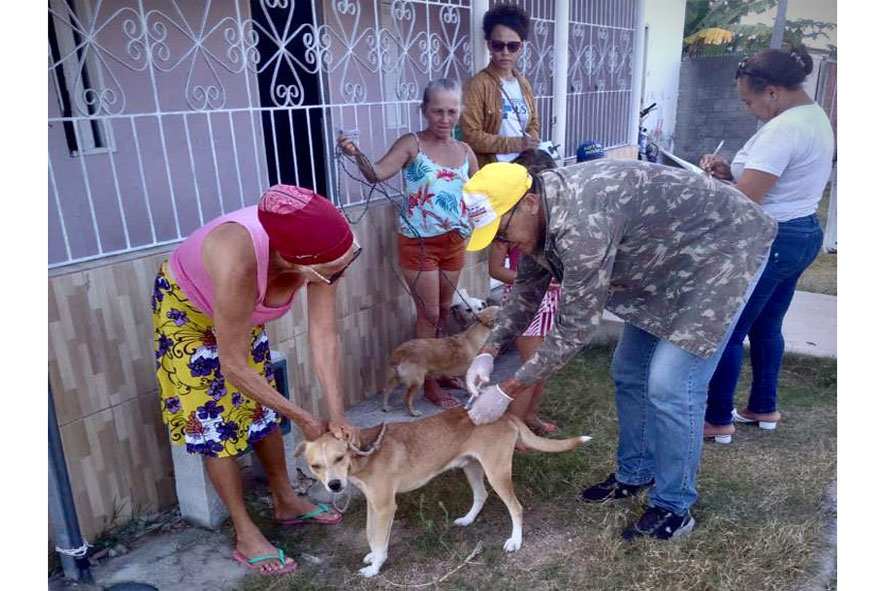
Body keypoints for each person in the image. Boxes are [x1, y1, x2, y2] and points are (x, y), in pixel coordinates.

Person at [461, 159, 776, 540]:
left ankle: (675, 507)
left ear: (528, 202)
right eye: (493, 237)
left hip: (723, 250)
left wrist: (506, 390)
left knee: (670, 385)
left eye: (502, 230)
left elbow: (574, 328)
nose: (502, 243)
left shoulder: (581, 225)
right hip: (669, 259)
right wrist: (489, 351)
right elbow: (528, 289)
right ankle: (635, 474)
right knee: (629, 370)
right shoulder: (540, 209)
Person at [153, 185, 361, 575]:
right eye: (335, 269)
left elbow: (323, 335)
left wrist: (336, 413)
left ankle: (286, 500)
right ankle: (245, 531)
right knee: (215, 421)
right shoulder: (239, 264)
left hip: (237, 314)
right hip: (188, 312)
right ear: (299, 263)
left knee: (261, 408)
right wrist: (302, 417)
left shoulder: (323, 247)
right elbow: (232, 366)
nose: (342, 273)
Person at [700, 46, 835, 443]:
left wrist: (708, 187)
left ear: (772, 92)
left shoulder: (785, 128)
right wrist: (730, 171)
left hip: (774, 238)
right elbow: (771, 177)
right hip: (803, 231)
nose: (748, 108)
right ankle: (763, 407)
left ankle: (718, 417)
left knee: (728, 329)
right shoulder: (813, 116)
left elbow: (747, 200)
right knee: (766, 326)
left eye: (749, 100)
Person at [337, 79, 479, 409]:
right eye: (438, 111)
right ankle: (427, 384)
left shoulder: (465, 150)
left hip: (455, 241)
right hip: (420, 243)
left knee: (444, 311)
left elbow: (480, 191)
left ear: (460, 111)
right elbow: (377, 174)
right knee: (428, 314)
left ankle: (439, 369)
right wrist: (357, 154)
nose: (445, 118)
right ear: (424, 111)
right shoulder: (411, 144)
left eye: (452, 111)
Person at [487, 149, 559, 441]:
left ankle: (529, 416)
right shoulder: (506, 227)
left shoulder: (548, 221)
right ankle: (513, 430)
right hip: (525, 302)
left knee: (544, 367)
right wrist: (533, 279)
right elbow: (495, 269)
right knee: (531, 367)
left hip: (550, 299)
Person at [460, 3, 540, 168]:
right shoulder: (478, 85)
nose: (505, 52)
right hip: (493, 170)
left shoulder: (523, 84)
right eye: (498, 45)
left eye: (512, 46)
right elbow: (471, 136)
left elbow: (533, 122)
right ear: (489, 45)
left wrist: (530, 141)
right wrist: (517, 144)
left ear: (520, 48)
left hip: (523, 168)